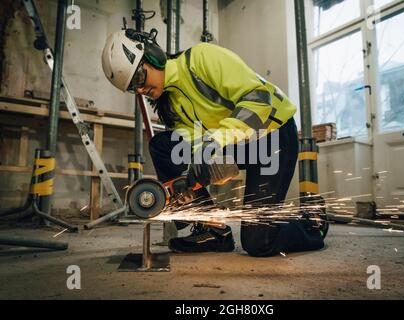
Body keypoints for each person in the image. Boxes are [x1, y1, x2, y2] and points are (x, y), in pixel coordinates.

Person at [101, 29, 325, 257]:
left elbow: (259, 100)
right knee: (163, 145)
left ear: (152, 55)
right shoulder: (173, 105)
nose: (140, 89)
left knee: (259, 242)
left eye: (139, 78)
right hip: (240, 145)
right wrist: (192, 177)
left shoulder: (202, 58)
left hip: (273, 138)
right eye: (132, 88)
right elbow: (194, 145)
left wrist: (215, 143)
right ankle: (213, 229)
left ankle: (312, 221)